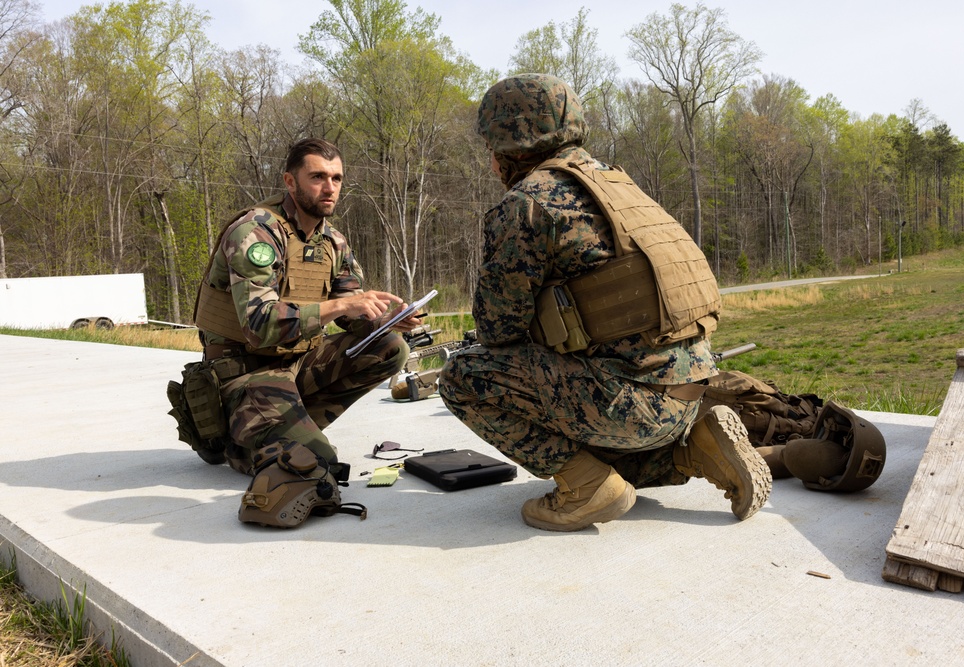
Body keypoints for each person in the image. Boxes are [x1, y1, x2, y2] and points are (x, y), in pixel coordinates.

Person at [437, 74, 772, 532]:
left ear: (506, 145)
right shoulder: (619, 186)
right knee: (601, 434)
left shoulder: (528, 202)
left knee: (462, 376)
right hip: (689, 393)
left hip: (629, 408)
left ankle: (586, 490)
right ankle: (694, 447)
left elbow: (497, 329)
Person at [191, 138, 423, 526]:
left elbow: (352, 314)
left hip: (294, 366)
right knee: (319, 465)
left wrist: (385, 318)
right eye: (317, 177)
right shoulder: (255, 232)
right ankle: (238, 440)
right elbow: (260, 325)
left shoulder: (333, 241)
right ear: (290, 181)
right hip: (245, 374)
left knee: (390, 347)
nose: (329, 187)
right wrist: (343, 306)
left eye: (336, 178)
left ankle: (288, 425)